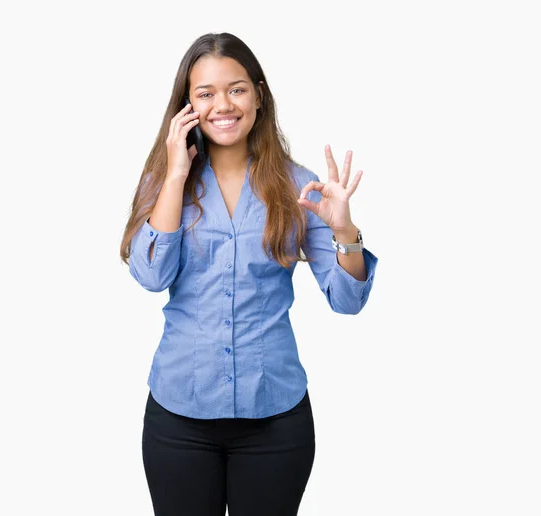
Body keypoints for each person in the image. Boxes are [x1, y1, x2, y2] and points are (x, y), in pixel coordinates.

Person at [120, 32, 378, 516]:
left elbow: (347, 300)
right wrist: (176, 174)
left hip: (274, 420)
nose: (223, 104)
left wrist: (344, 227)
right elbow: (151, 275)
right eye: (205, 93)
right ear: (187, 107)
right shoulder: (164, 182)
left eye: (236, 89)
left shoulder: (300, 186)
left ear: (258, 95)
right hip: (180, 416)